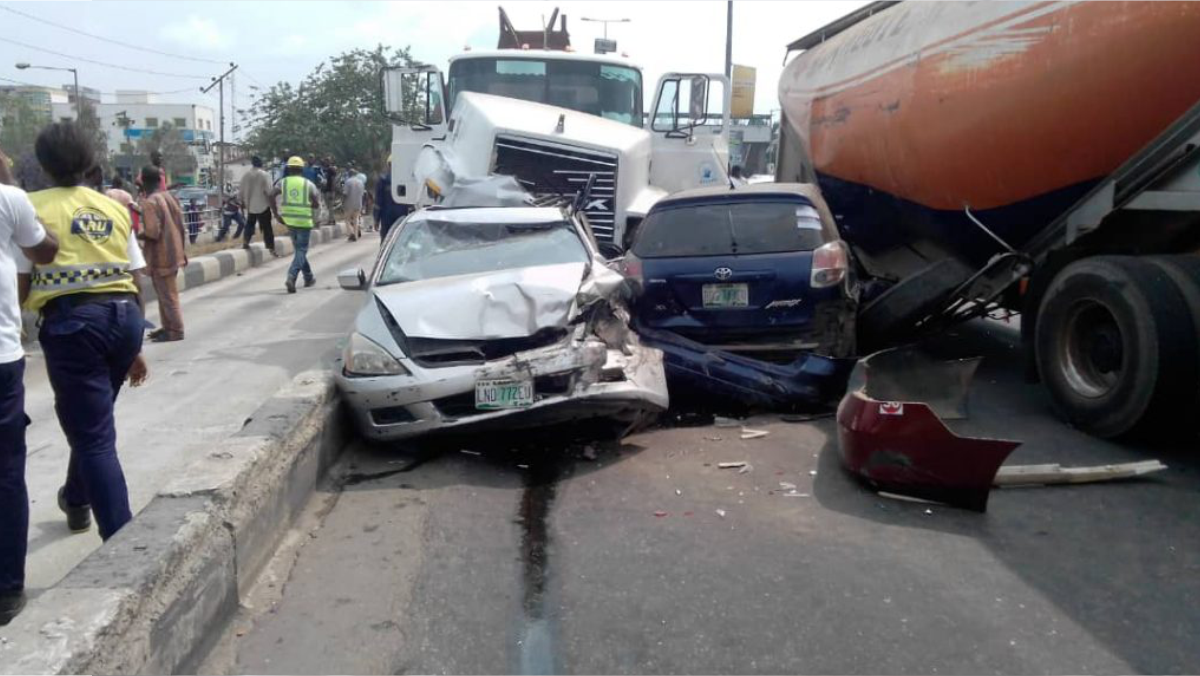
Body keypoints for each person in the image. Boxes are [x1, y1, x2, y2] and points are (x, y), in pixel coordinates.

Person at [16, 123, 149, 583]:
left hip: (74, 324)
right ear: (91, 162)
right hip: (123, 317)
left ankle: (124, 545)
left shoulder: (31, 207)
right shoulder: (113, 207)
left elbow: (19, 279)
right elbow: (135, 274)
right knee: (92, 420)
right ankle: (76, 501)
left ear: (43, 163)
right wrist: (136, 342)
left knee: (93, 436)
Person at [0, 146, 59, 626]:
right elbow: (44, 250)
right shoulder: (11, 198)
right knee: (4, 473)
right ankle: (6, 589)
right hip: (0, 357)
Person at [139, 165, 188, 342]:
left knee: (167, 295)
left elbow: (152, 232)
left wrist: (137, 233)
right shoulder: (169, 197)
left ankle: (175, 329)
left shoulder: (150, 202)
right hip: (175, 250)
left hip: (161, 255)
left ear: (142, 181)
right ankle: (168, 326)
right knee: (165, 293)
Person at [271, 156, 321, 293]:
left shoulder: (283, 183)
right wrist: (312, 205)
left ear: (289, 168)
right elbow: (316, 203)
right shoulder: (308, 184)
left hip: (289, 221)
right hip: (304, 221)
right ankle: (291, 276)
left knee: (299, 250)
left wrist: (276, 214)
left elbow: (271, 195)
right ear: (301, 169)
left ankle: (308, 277)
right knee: (301, 250)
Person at [238, 156, 277, 256]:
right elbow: (269, 191)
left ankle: (246, 242)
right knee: (267, 227)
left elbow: (241, 190)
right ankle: (271, 248)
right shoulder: (265, 175)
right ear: (261, 163)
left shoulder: (246, 175)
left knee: (250, 224)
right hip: (262, 205)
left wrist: (241, 202)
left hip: (250, 205)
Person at [374, 156, 411, 244]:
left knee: (386, 241)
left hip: (386, 216)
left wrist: (376, 219)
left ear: (389, 165)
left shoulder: (382, 180)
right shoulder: (406, 180)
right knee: (401, 240)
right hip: (402, 215)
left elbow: (378, 202)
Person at [342, 167, 365, 241]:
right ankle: (355, 235)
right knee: (356, 219)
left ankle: (351, 233)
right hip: (358, 204)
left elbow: (345, 193)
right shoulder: (360, 182)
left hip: (349, 204)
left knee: (347, 219)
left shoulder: (348, 182)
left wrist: (342, 201)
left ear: (349, 174)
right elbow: (362, 194)